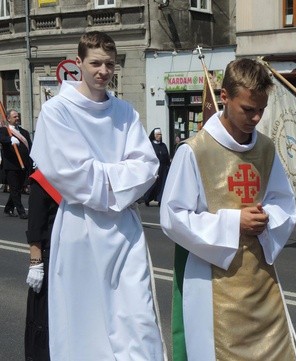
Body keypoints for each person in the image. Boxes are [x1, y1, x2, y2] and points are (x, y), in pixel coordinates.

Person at [30, 31, 164, 360]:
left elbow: (147, 166)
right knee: (84, 321)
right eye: (95, 63)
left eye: (109, 64)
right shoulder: (57, 111)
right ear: (79, 63)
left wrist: (103, 174)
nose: (103, 71)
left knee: (136, 316)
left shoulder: (125, 112)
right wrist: (121, 176)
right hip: (79, 228)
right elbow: (71, 174)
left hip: (123, 230)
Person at [160, 58, 296, 360]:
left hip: (260, 278)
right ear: (224, 96)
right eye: (248, 109)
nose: (256, 117)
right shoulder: (194, 150)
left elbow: (283, 202)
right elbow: (172, 216)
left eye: (261, 109)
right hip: (213, 281)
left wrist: (268, 218)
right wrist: (233, 222)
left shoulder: (265, 148)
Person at [24, 170, 61, 361]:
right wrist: (35, 262)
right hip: (49, 260)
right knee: (43, 321)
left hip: (71, 261)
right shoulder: (43, 177)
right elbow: (36, 224)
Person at [0, 109, 32, 219]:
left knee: (17, 188)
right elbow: (1, 138)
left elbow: (30, 147)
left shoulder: (24, 132)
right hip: (11, 166)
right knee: (15, 189)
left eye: (18, 116)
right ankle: (21, 212)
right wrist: (10, 139)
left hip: (23, 165)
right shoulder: (4, 130)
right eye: (14, 117)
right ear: (8, 119)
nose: (17, 118)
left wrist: (33, 161)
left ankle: (8, 208)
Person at [143, 127, 170, 206]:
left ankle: (160, 199)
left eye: (160, 134)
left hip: (163, 168)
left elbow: (167, 156)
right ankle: (147, 198)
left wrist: (168, 165)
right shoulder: (150, 145)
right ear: (154, 135)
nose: (160, 136)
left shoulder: (163, 145)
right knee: (153, 184)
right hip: (154, 168)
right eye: (158, 134)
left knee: (162, 184)